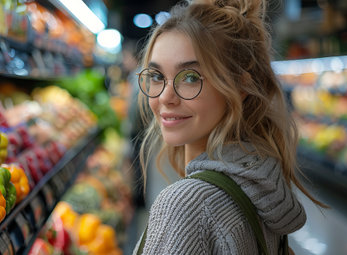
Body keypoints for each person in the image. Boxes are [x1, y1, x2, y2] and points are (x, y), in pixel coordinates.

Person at [133, 0, 327, 254]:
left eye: (190, 77)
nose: (165, 97)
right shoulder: (264, 184)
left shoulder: (185, 206)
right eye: (157, 76)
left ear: (240, 87)